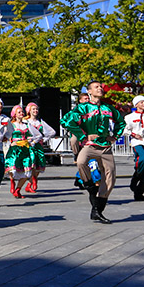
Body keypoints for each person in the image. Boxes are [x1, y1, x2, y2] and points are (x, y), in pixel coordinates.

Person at [61, 81, 126, 224]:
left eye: (101, 87)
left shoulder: (108, 108)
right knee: (81, 162)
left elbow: (121, 122)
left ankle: (97, 210)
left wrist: (114, 136)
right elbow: (66, 121)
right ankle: (89, 186)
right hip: (89, 145)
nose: (100, 88)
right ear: (89, 91)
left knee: (110, 178)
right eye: (96, 87)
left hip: (105, 147)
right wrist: (83, 136)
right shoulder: (82, 108)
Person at [24, 102, 55, 193]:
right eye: (33, 109)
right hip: (29, 145)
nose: (35, 111)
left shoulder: (40, 122)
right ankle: (33, 181)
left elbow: (51, 132)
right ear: (29, 111)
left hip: (39, 146)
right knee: (32, 164)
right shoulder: (26, 121)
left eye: (36, 109)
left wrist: (44, 139)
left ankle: (30, 184)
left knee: (39, 165)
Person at [4, 105, 33, 199]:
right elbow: (6, 135)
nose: (21, 113)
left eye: (22, 112)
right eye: (19, 112)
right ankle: (12, 182)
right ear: (14, 114)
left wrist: (30, 140)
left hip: (25, 149)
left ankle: (18, 189)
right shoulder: (11, 125)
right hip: (15, 149)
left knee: (27, 171)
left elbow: (31, 135)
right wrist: (10, 141)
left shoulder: (27, 125)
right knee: (13, 168)